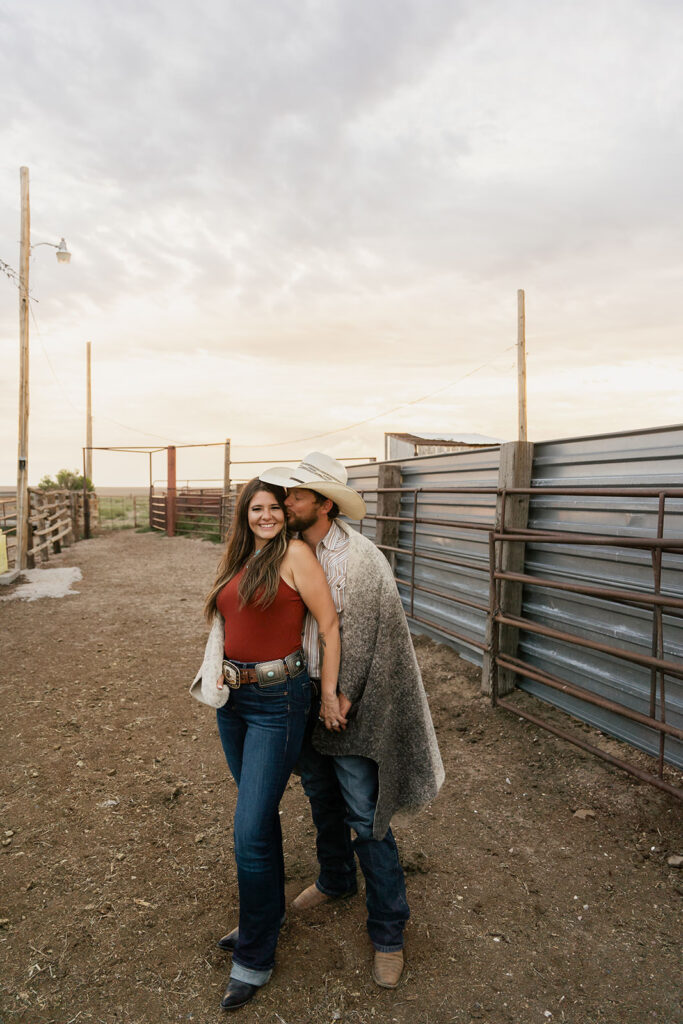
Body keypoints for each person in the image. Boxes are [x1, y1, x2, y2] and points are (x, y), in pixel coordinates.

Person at [259, 452, 444, 990]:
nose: (286, 502)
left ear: (323, 503)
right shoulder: (286, 552)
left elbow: (375, 643)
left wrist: (342, 698)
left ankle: (389, 931)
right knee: (321, 794)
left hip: (351, 708)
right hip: (304, 698)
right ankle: (336, 879)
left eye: (295, 495)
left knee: (366, 813)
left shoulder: (361, 561)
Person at [190, 477, 340, 1011]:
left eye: (274, 508)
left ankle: (254, 956)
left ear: (284, 513)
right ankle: (269, 912)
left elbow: (329, 625)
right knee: (261, 817)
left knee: (249, 828)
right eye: (256, 509)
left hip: (281, 701)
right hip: (234, 702)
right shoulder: (236, 557)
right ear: (244, 514)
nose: (266, 516)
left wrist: (326, 695)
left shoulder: (296, 554)